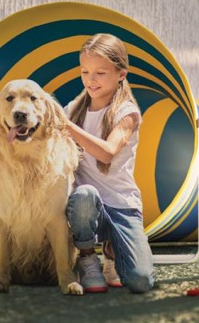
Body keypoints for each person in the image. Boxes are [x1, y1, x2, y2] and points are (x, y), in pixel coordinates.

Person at [63, 33, 154, 294]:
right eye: (85, 71)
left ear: (121, 73)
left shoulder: (127, 113)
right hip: (85, 206)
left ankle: (112, 254)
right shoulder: (74, 109)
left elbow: (107, 153)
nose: (91, 80)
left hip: (121, 205)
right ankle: (87, 256)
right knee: (84, 194)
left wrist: (67, 127)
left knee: (141, 281)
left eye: (100, 73)